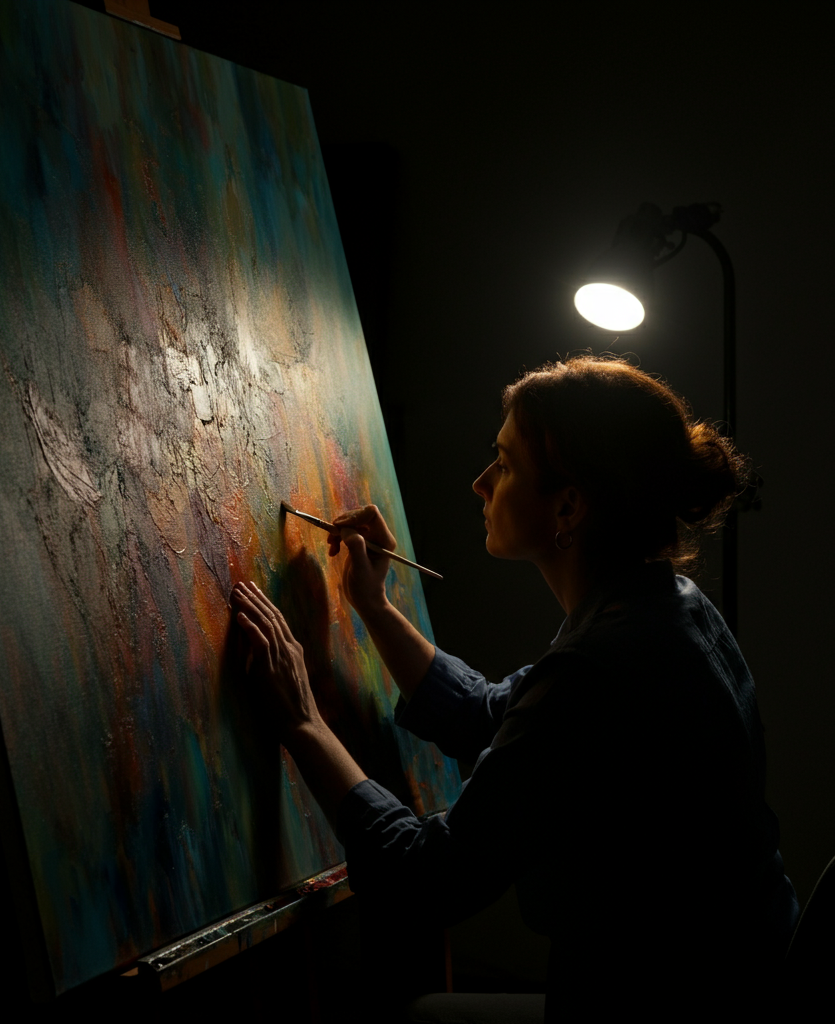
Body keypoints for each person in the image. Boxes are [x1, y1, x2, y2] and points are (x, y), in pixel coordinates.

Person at [231, 354, 799, 1021]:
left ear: (568, 505)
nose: (479, 483)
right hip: (739, 984)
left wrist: (303, 723)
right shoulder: (669, 607)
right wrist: (376, 608)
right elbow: (489, 714)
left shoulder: (601, 669)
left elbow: (428, 881)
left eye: (503, 464)